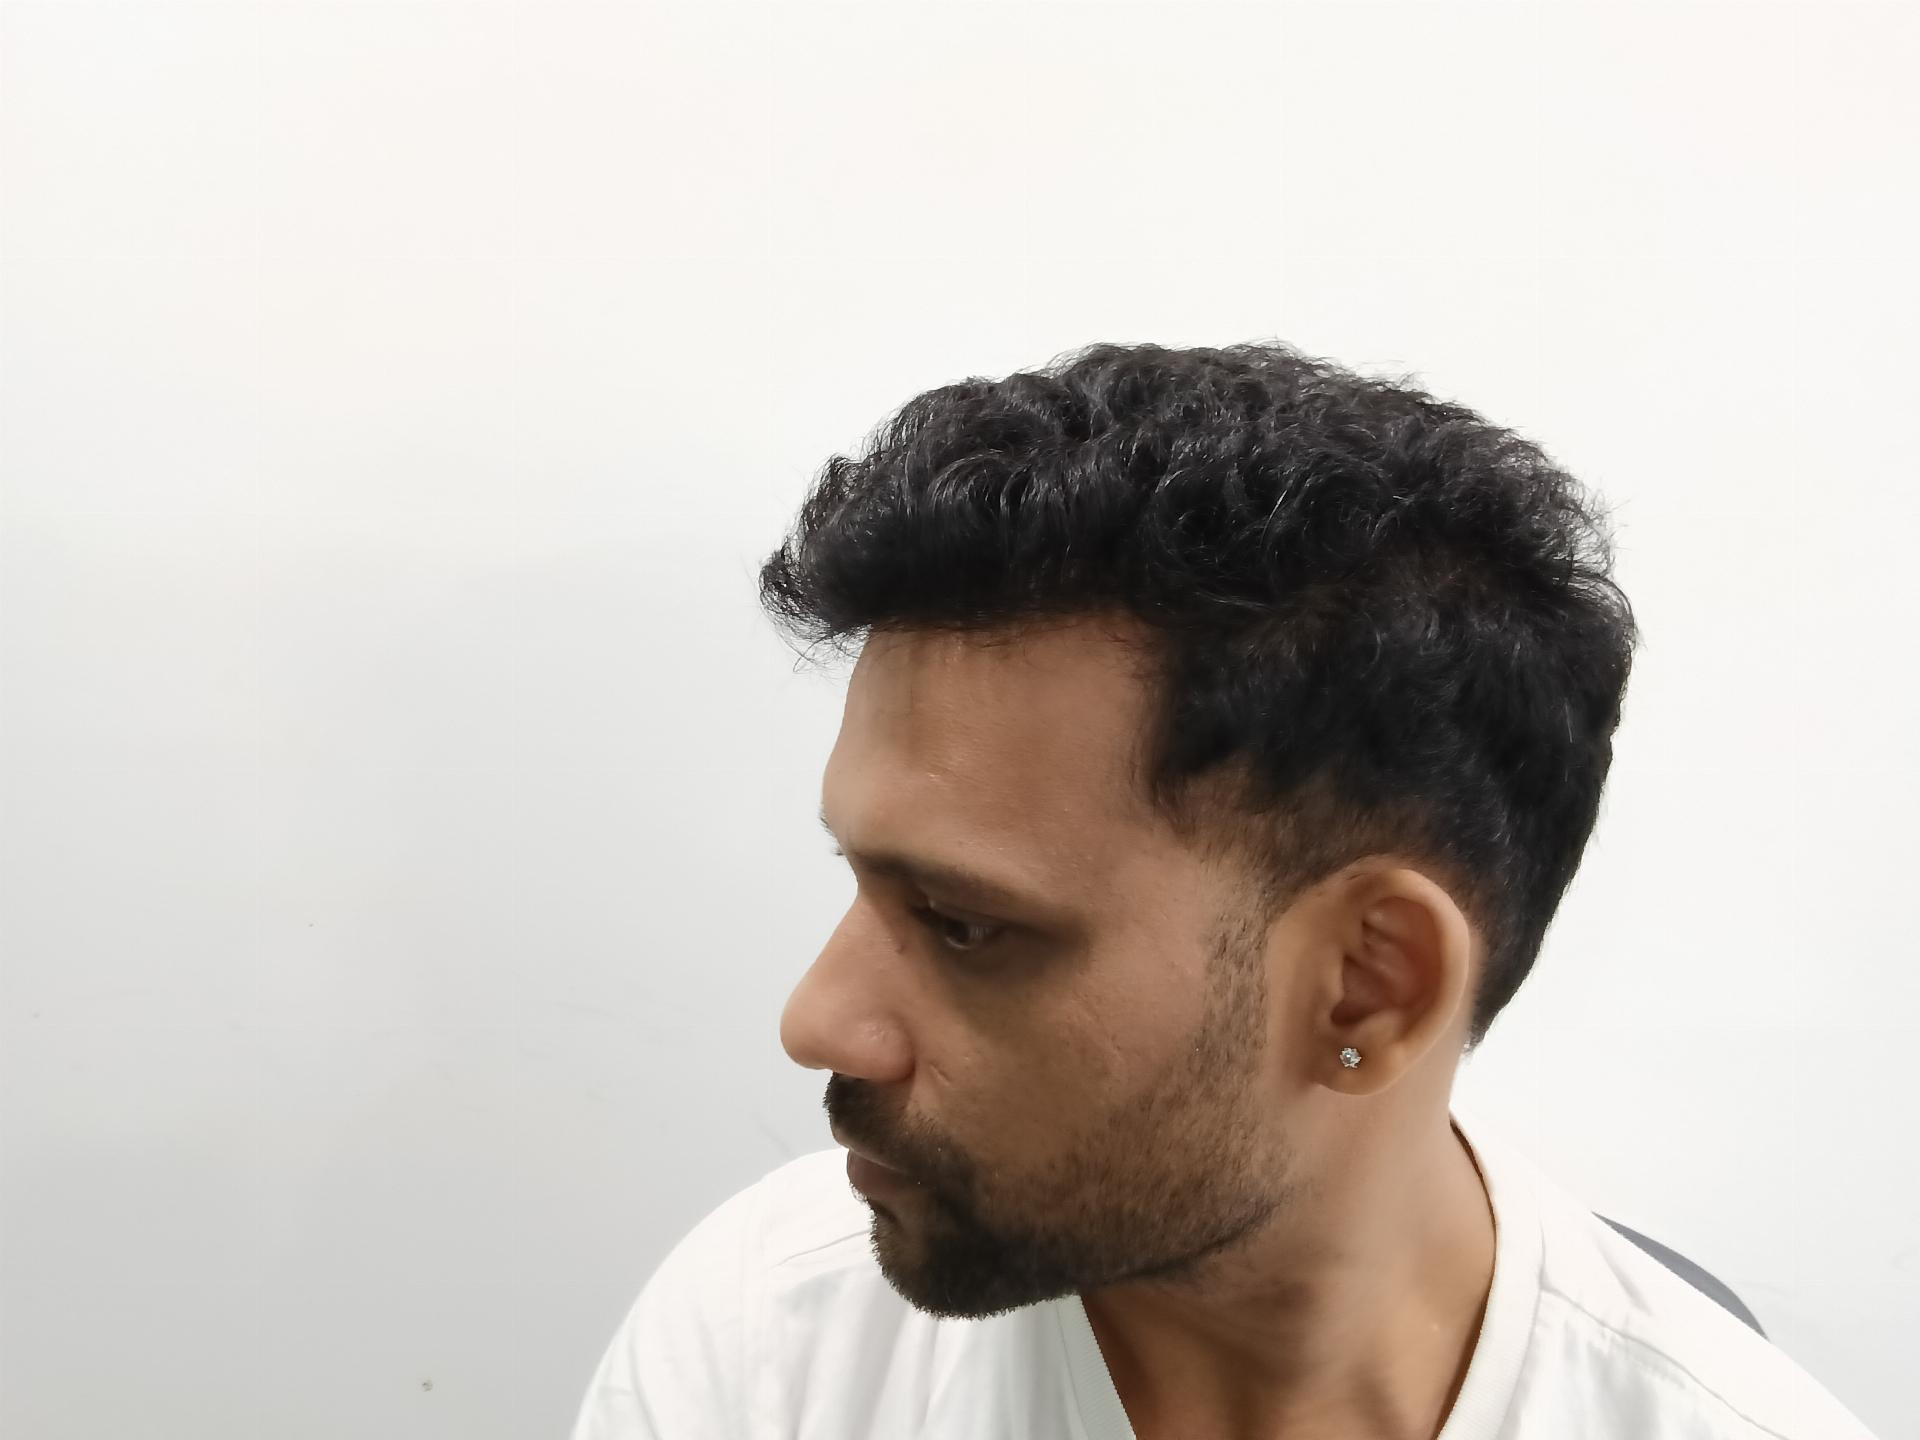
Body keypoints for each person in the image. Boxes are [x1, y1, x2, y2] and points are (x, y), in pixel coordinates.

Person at [568, 341, 1880, 1439]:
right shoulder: (771, 1348)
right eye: (861, 882)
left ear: (1368, 985)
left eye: (964, 926)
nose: (818, 1021)